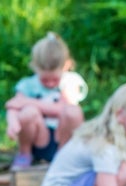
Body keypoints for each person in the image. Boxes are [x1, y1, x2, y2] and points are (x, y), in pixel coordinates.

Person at [6, 32, 87, 170]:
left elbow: (62, 108)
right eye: (45, 80)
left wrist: (28, 102)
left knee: (73, 112)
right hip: (39, 138)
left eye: (54, 80)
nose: (50, 84)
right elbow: (13, 106)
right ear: (34, 67)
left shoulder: (70, 81)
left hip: (62, 137)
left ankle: (64, 157)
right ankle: (25, 153)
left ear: (66, 66)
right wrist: (12, 122)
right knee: (28, 112)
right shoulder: (27, 85)